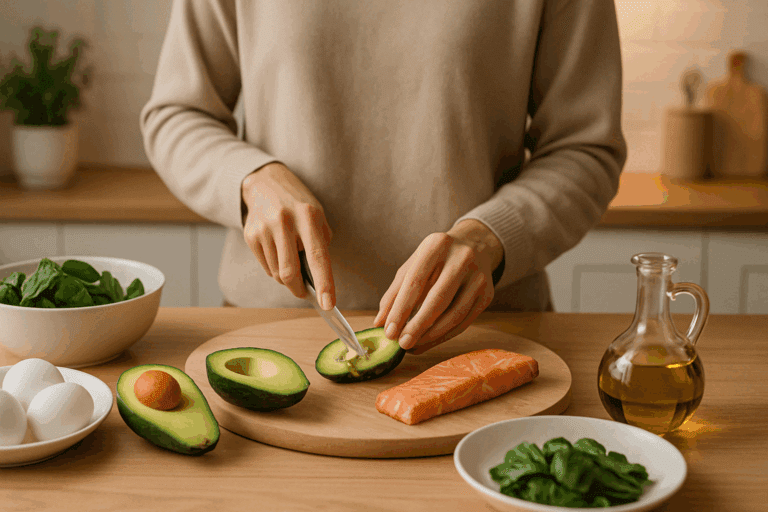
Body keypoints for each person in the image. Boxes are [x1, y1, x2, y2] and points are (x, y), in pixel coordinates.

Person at [140, 0, 626, 354]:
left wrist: (492, 236)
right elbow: (176, 114)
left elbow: (585, 148)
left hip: (487, 334)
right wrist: (250, 178)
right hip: (270, 327)